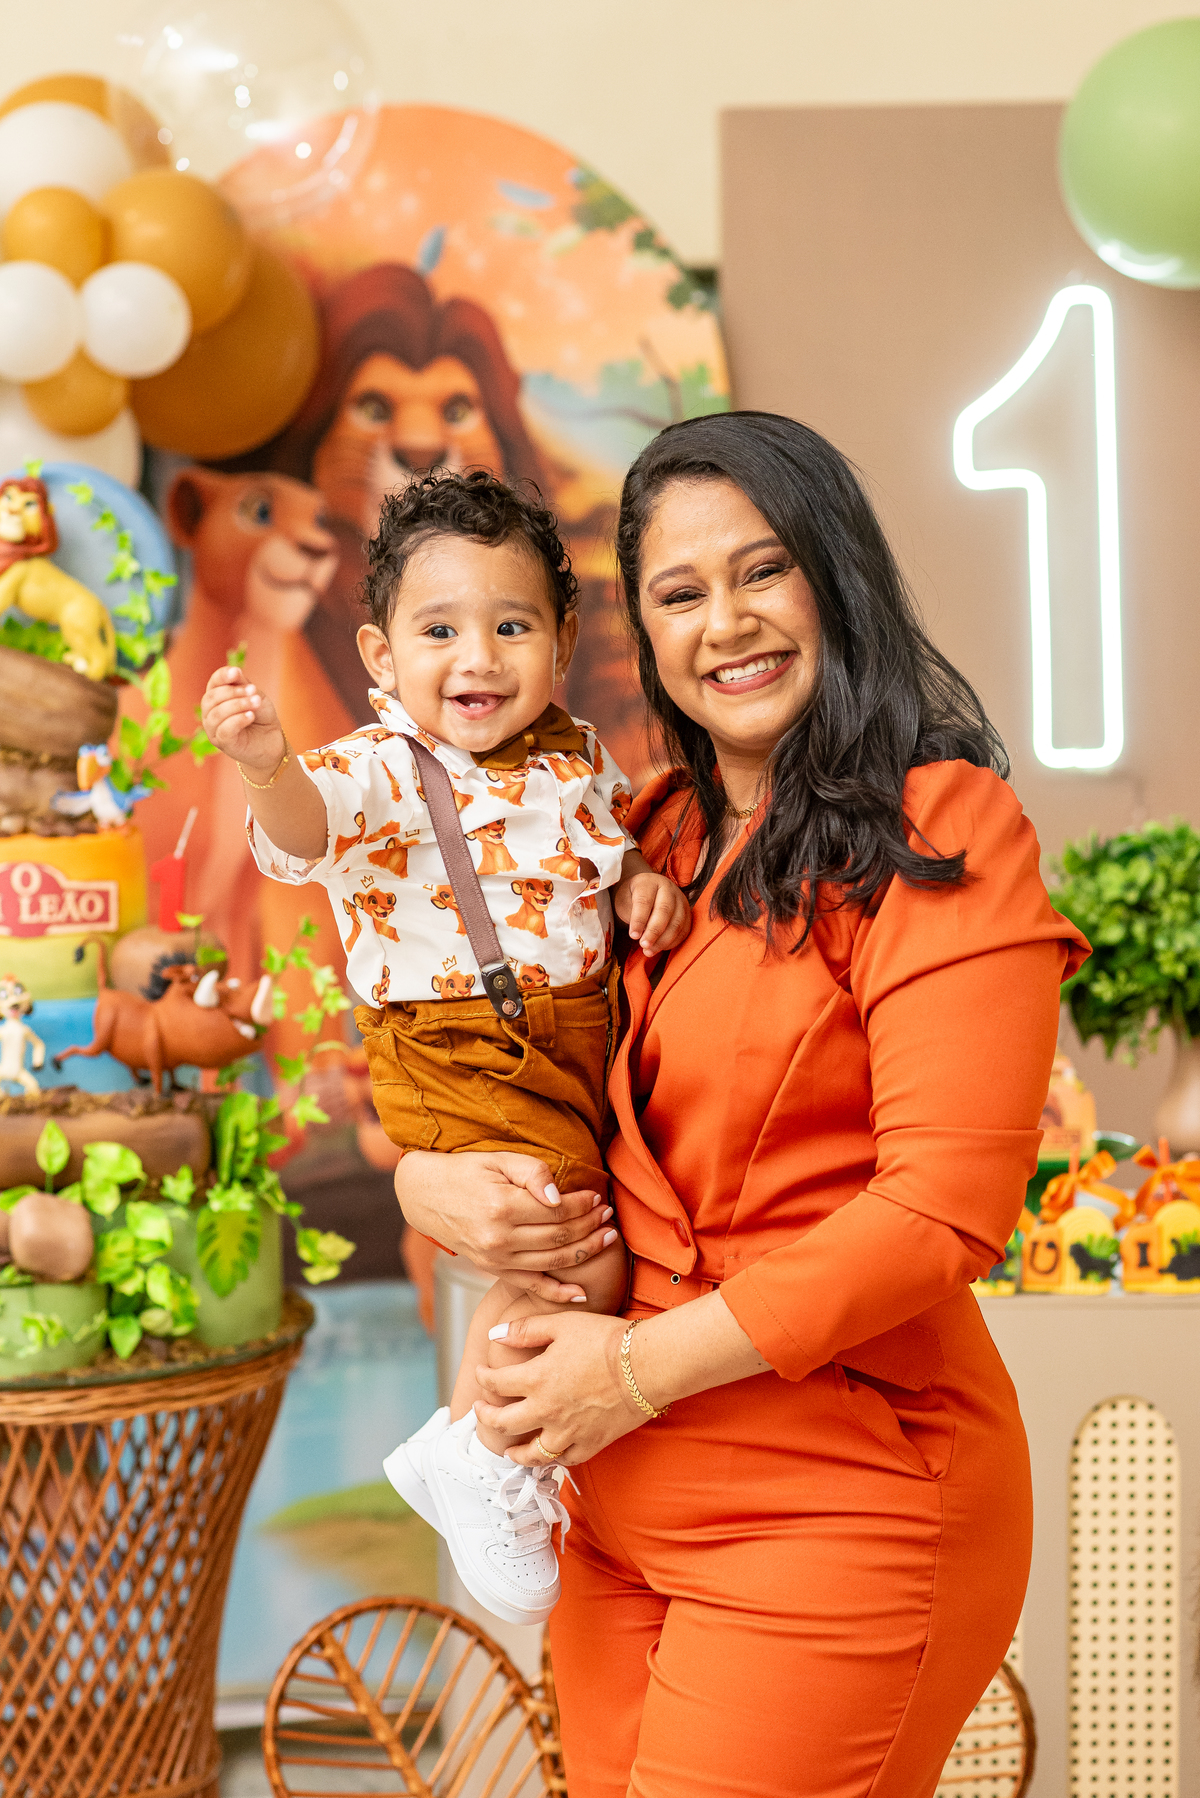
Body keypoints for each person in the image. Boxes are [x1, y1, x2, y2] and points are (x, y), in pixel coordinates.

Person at [391, 412, 1091, 1798]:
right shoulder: (647, 835)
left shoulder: (942, 828)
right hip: (615, 1509)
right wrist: (429, 1177)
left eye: (763, 571)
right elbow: (491, 1051)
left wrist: (628, 1372)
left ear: (835, 576)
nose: (729, 622)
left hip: (841, 1501)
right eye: (680, 592)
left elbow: (939, 1212)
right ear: (644, 636)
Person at [198, 468, 690, 1631]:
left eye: (510, 625)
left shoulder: (576, 755)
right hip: (452, 1044)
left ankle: (483, 1447)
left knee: (572, 1251)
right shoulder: (378, 767)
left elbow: (596, 866)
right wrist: (267, 762)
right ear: (381, 654)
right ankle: (483, 1448)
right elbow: (300, 833)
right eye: (439, 630)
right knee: (574, 1255)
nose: (477, 657)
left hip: (567, 1042)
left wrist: (643, 893)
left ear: (562, 640)